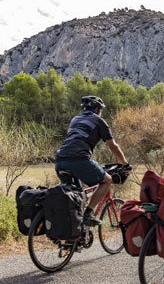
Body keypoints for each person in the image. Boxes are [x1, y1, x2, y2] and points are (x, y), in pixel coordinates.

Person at [55, 95, 130, 226]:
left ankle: (72, 234)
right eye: (100, 110)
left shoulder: (75, 119)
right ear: (96, 110)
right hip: (79, 160)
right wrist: (125, 163)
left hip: (60, 160)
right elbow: (113, 146)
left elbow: (76, 141)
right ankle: (88, 214)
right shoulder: (99, 121)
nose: (100, 113)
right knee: (107, 180)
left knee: (75, 196)